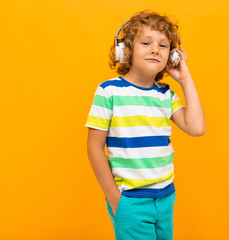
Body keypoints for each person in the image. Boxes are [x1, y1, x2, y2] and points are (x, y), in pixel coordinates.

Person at [85, 9, 206, 240]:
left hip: (166, 198)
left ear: (172, 56)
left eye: (163, 46)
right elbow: (94, 147)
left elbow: (197, 128)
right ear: (126, 50)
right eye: (146, 42)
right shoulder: (109, 91)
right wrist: (115, 199)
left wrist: (185, 79)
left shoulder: (165, 95)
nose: (155, 49)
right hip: (130, 201)